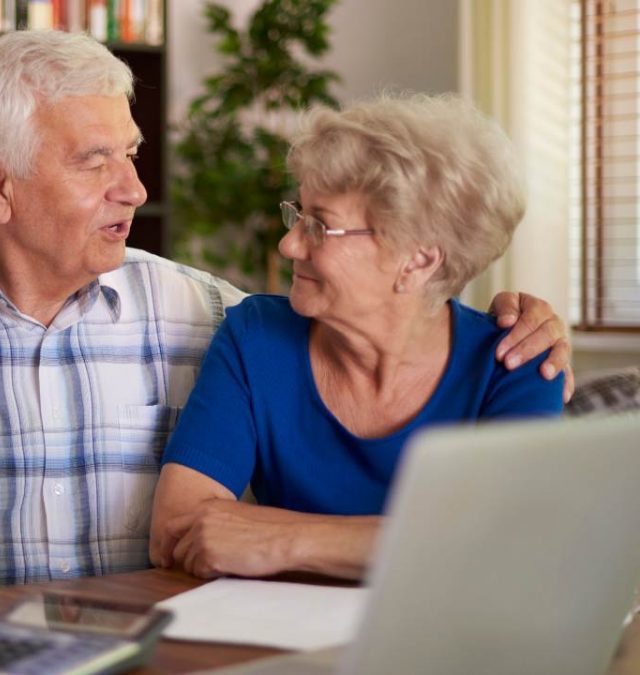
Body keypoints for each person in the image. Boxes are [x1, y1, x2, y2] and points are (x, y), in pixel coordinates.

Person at [0, 32, 573, 593]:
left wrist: (524, 312)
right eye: (95, 161)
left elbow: (377, 316)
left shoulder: (197, 305)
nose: (135, 189)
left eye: (133, 154)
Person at [149, 94, 565, 582]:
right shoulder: (256, 336)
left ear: (418, 259)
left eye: (320, 226)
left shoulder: (514, 361)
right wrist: (431, 542)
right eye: (298, 214)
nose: (289, 244)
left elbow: (509, 549)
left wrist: (285, 540)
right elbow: (176, 533)